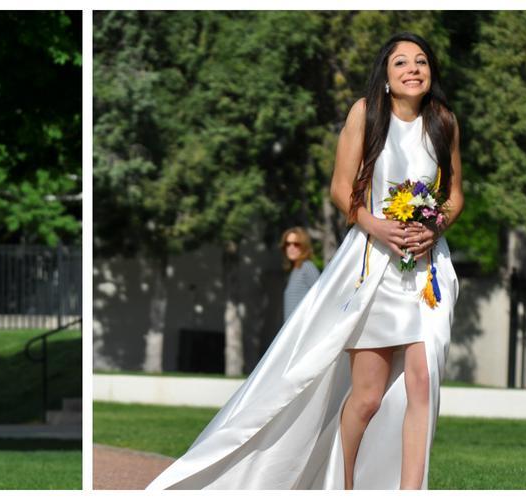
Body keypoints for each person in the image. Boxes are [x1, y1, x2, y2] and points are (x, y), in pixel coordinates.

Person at [148, 32, 462, 490]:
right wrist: (377, 226)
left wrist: (435, 227)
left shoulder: (444, 121)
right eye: (401, 63)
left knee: (424, 378)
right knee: (369, 398)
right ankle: (344, 485)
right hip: (373, 268)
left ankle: (411, 492)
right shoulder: (366, 113)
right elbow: (341, 188)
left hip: (429, 272)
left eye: (420, 62)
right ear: (387, 77)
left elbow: (454, 196)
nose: (413, 69)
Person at [280, 227, 320, 320]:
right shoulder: (295, 270)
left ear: (304, 246)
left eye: (296, 244)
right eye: (288, 244)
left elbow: (322, 296)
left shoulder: (307, 267)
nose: (291, 248)